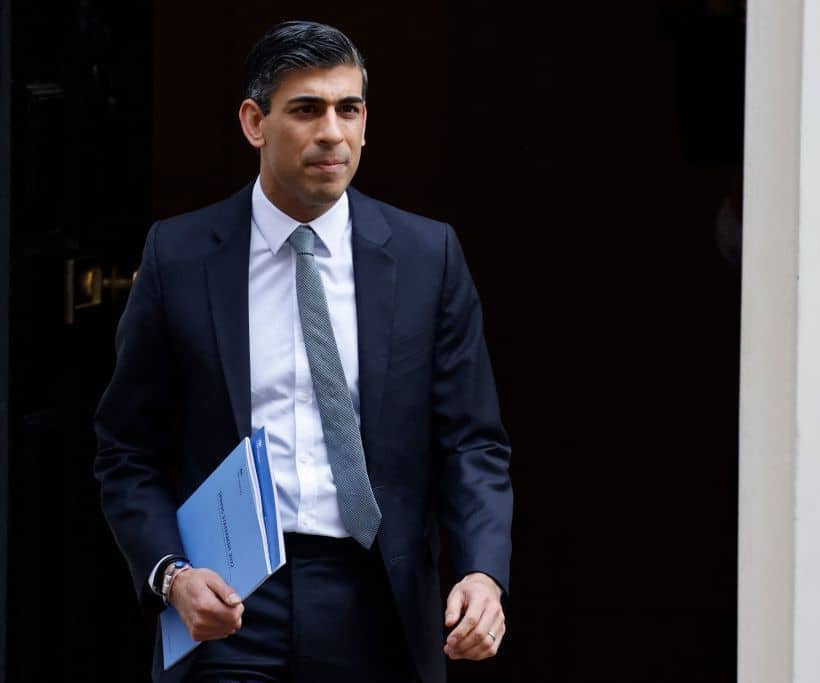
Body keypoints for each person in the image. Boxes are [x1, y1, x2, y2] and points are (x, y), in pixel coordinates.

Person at [94, 20, 512, 683]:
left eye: (349, 109)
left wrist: (482, 572)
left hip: (379, 596)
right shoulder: (180, 256)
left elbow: (472, 441)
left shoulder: (427, 256)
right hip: (231, 599)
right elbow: (127, 447)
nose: (332, 133)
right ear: (254, 123)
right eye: (307, 109)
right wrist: (171, 573)